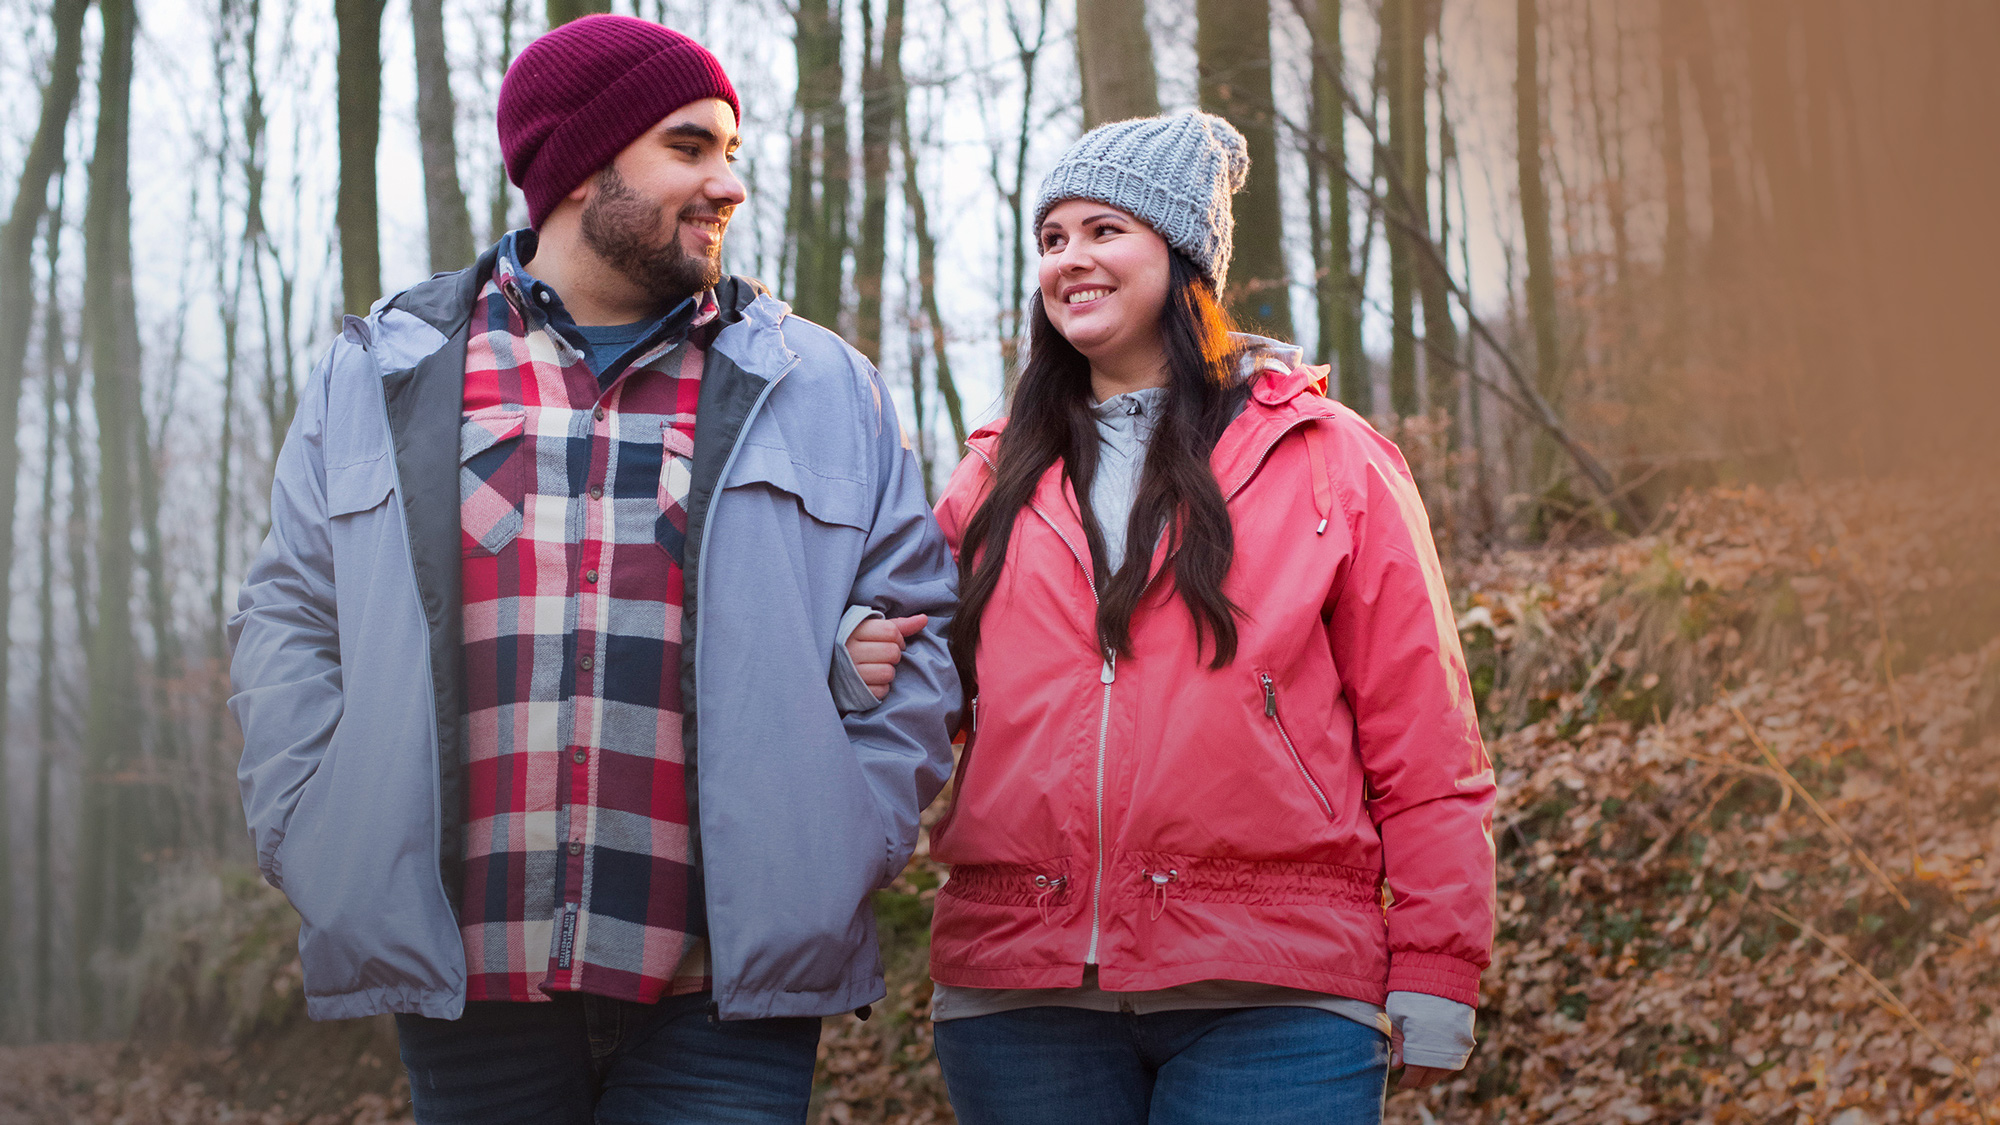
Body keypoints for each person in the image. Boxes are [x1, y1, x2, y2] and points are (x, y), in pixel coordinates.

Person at [228, 16, 958, 1124]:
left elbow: (918, 625)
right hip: (471, 979)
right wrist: (310, 827)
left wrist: (849, 836)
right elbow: (290, 616)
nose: (728, 183)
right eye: (688, 147)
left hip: (724, 994)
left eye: (730, 151)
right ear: (578, 168)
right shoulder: (385, 369)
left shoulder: (819, 383)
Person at [918, 112, 1497, 1123]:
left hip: (1278, 993)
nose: (1069, 259)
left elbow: (1426, 739)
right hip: (1021, 996)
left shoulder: (1326, 457)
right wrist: (855, 656)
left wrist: (1438, 961)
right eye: (1051, 238)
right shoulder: (990, 474)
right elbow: (916, 692)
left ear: (1181, 255)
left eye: (1104, 230)